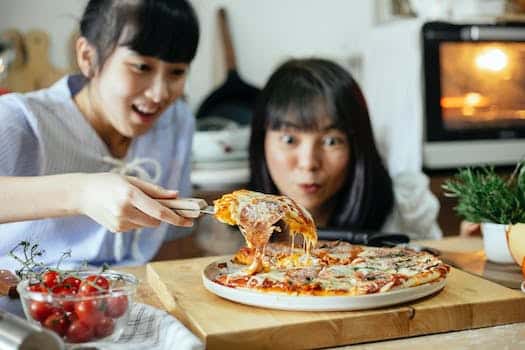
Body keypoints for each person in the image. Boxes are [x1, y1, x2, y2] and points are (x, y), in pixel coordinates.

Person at [0, 0, 200, 273]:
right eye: (141, 67)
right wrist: (81, 193)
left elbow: (174, 239)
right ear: (87, 56)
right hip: (23, 305)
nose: (159, 94)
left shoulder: (177, 121)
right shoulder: (19, 120)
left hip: (133, 300)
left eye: (176, 72)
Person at [249, 58, 442, 240]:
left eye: (331, 141)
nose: (308, 163)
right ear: (261, 141)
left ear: (357, 145)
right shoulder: (233, 223)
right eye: (289, 139)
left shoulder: (405, 210)